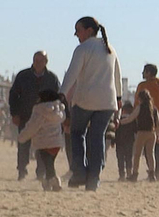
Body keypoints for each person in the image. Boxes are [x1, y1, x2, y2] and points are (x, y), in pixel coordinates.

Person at [60, 16, 121, 191]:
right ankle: (94, 178)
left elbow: (71, 74)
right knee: (97, 137)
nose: (76, 34)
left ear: (88, 31)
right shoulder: (110, 49)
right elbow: (117, 75)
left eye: (78, 30)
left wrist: (61, 94)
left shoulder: (83, 49)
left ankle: (79, 172)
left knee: (77, 133)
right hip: (107, 102)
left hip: (85, 100)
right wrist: (119, 98)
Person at [9, 51, 60, 181]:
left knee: (43, 145)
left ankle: (41, 172)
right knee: (23, 142)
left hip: (44, 118)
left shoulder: (52, 78)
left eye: (41, 60)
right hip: (25, 115)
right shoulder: (23, 76)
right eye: (35, 60)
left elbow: (58, 98)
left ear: (46, 62)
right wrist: (14, 113)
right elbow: (13, 95)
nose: (37, 63)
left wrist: (57, 116)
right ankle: (22, 170)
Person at [17, 88, 67, 191]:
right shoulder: (58, 111)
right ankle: (48, 182)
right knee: (49, 163)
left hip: (43, 144)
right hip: (57, 144)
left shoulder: (40, 111)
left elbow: (32, 127)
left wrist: (22, 137)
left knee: (48, 164)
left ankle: (54, 181)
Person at [130, 86, 159, 180]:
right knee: (150, 154)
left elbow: (131, 117)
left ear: (140, 98)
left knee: (137, 155)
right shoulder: (154, 109)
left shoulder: (140, 107)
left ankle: (135, 174)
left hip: (141, 133)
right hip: (152, 133)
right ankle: (152, 174)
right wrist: (157, 135)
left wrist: (121, 122)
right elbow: (158, 124)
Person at [113, 93, 137, 181]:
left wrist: (113, 141)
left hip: (119, 142)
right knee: (128, 157)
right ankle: (129, 173)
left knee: (120, 158)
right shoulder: (133, 120)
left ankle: (121, 175)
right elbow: (136, 130)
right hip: (130, 142)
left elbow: (115, 131)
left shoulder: (119, 120)